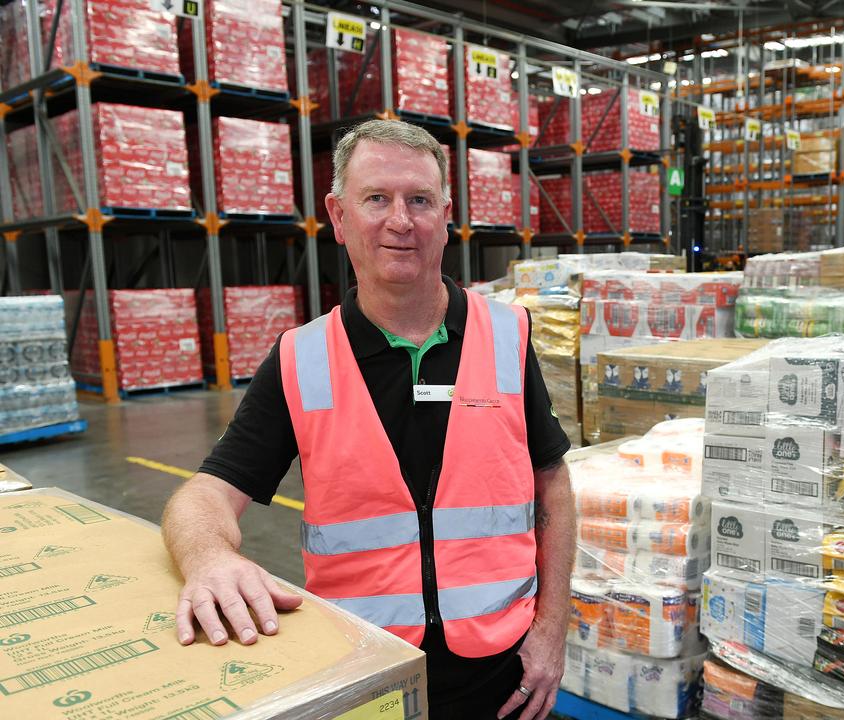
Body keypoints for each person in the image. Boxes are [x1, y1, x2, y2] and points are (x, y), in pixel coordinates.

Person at [161, 119, 575, 720]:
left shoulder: (506, 335)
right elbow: (204, 495)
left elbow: (553, 485)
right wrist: (208, 559)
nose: (400, 221)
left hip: (502, 676)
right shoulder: (302, 360)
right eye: (376, 198)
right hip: (365, 671)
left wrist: (553, 629)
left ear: (446, 213)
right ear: (338, 215)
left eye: (420, 200)